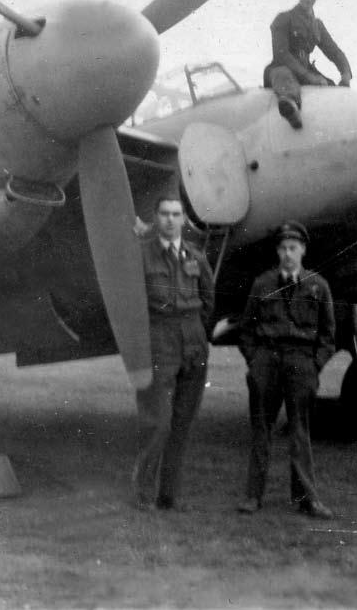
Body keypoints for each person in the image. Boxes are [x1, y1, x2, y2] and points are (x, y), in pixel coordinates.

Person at [236, 221, 337, 518]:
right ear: (277, 251)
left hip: (301, 362)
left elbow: (328, 335)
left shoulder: (318, 286)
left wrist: (314, 365)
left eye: (293, 248)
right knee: (261, 432)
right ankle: (253, 496)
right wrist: (255, 362)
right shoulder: (262, 284)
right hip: (267, 362)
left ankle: (307, 498)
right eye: (282, 248)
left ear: (303, 250)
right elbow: (246, 329)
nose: (288, 254)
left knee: (300, 432)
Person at [134, 196, 215, 511]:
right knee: (158, 422)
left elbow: (208, 300)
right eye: (165, 214)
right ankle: (144, 493)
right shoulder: (142, 257)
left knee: (183, 422)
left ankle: (169, 495)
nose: (170, 220)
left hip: (193, 342)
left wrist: (195, 331)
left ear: (183, 220)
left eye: (176, 214)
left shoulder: (195, 256)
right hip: (160, 341)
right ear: (156, 219)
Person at [264, 0, 353, 129]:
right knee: (283, 76)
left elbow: (334, 52)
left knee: (332, 89)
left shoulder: (317, 25)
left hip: (306, 69)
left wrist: (345, 74)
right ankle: (290, 109)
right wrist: (309, 77)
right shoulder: (284, 18)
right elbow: (281, 54)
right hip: (283, 67)